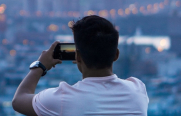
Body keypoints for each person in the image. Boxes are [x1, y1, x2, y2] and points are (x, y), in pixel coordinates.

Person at [12, 15, 149, 116]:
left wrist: (40, 66)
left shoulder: (62, 99)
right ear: (116, 55)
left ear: (77, 57)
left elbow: (18, 101)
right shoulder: (137, 90)